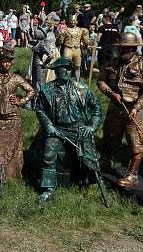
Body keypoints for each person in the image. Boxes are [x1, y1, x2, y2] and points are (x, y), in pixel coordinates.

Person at [29, 57, 102, 202]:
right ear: (56, 70)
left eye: (69, 68)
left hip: (79, 128)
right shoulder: (46, 90)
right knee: (49, 153)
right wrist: (49, 126)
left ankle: (91, 181)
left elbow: (96, 107)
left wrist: (92, 126)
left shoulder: (82, 88)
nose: (66, 71)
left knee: (88, 156)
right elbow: (40, 110)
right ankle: (48, 189)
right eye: (63, 68)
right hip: (58, 129)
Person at [97, 32, 143, 187]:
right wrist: (111, 93)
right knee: (109, 137)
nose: (124, 51)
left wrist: (137, 107)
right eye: (121, 48)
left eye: (128, 48)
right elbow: (101, 81)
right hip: (115, 108)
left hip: (135, 111)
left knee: (136, 143)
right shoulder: (112, 63)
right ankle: (104, 162)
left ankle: (132, 174)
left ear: (134, 48)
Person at [0, 47, 35, 180]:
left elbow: (31, 91)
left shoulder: (16, 78)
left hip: (13, 117)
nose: (7, 64)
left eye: (9, 62)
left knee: (15, 146)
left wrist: (21, 101)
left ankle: (15, 174)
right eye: (4, 62)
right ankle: (0, 174)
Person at [58, 15, 89, 80]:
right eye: (71, 21)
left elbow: (85, 41)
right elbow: (59, 42)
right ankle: (65, 80)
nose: (72, 22)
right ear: (69, 21)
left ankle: (77, 81)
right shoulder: (65, 30)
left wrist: (86, 45)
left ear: (77, 21)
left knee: (77, 66)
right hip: (68, 48)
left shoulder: (81, 30)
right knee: (66, 65)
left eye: (74, 21)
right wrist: (60, 37)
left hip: (77, 49)